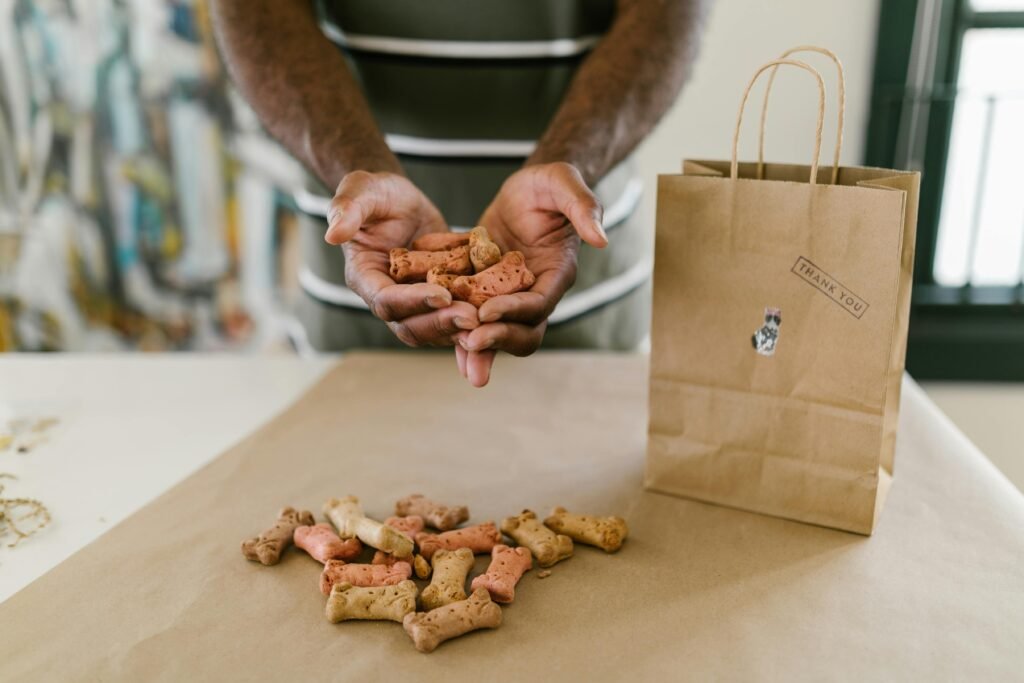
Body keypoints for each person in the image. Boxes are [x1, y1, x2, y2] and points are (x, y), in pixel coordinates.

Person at [210, 0, 705, 386]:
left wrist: (570, 159)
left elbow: (665, 13)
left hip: (588, 300)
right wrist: (361, 165)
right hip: (357, 291)